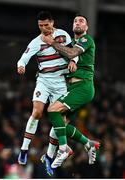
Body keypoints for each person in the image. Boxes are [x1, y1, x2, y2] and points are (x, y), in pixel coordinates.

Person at [17, 11, 97, 168]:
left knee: (54, 114)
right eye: (41, 26)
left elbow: (72, 51)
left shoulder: (67, 36)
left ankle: (54, 152)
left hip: (64, 82)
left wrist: (73, 60)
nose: (44, 28)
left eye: (47, 25)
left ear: (52, 23)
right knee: (42, 114)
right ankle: (25, 149)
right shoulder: (36, 42)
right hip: (45, 81)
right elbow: (23, 58)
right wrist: (21, 65)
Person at [41, 14, 100, 172]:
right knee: (59, 126)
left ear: (86, 27)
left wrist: (52, 42)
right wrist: (72, 61)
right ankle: (88, 143)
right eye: (75, 21)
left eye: (82, 21)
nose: (78, 23)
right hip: (73, 88)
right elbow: (71, 54)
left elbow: (72, 53)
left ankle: (63, 149)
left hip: (83, 87)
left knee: (52, 110)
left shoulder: (87, 40)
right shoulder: (72, 43)